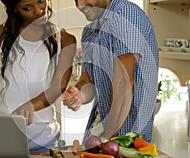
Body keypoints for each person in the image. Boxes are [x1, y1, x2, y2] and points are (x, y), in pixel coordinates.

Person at [0, 0, 76, 150]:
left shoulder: (66, 40)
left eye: (41, 1)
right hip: (1, 140)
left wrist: (31, 105)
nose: (39, 10)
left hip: (44, 142)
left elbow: (58, 87)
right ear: (14, 9)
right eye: (27, 8)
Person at [56, 0, 159, 143]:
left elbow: (123, 84)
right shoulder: (89, 32)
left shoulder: (125, 15)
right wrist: (79, 93)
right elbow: (88, 80)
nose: (79, 5)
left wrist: (106, 141)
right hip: (106, 137)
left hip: (129, 142)